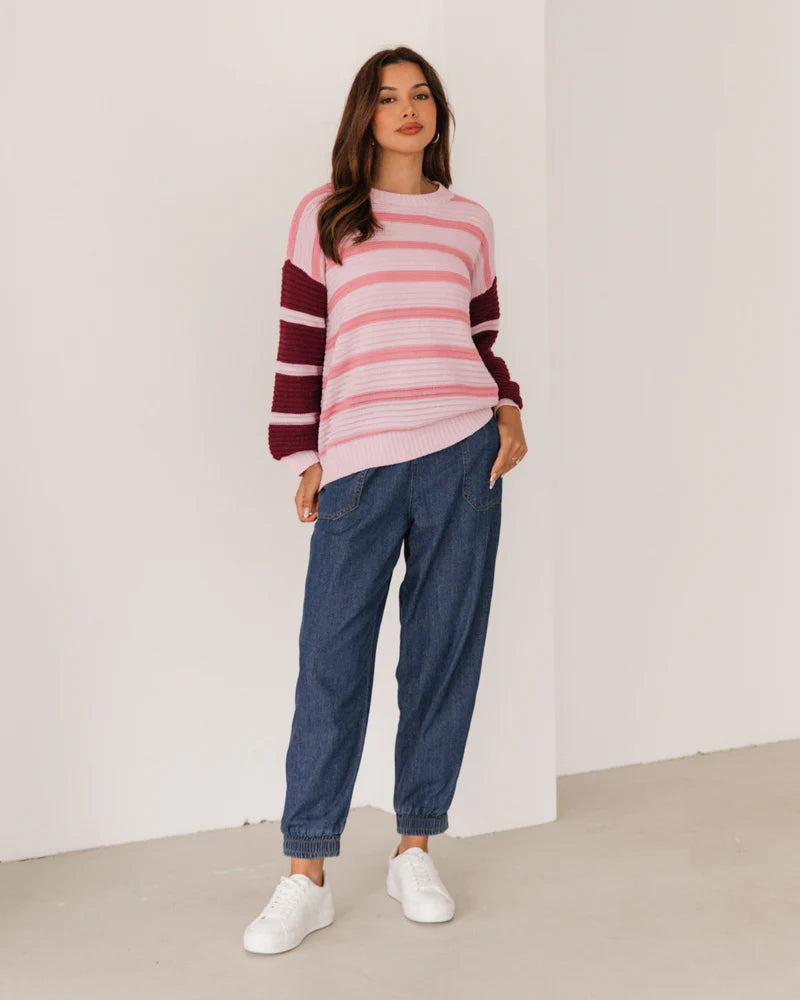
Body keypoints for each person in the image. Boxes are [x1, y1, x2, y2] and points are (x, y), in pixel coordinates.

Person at [244, 45, 527, 955]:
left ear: (437, 113)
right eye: (389, 96)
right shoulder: (327, 215)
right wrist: (302, 453)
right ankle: (306, 874)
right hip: (359, 465)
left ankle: (415, 848)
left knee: (440, 657)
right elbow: (301, 337)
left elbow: (482, 336)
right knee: (331, 663)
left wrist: (509, 408)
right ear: (363, 114)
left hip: (464, 456)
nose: (409, 109)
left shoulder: (469, 222)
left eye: (422, 95)